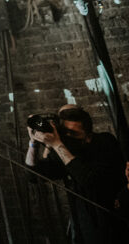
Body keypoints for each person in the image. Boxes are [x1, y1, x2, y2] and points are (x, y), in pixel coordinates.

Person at [25, 104, 129, 243]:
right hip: (83, 223)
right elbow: (33, 176)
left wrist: (57, 145)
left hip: (113, 220)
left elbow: (89, 180)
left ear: (88, 135)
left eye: (74, 133)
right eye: (65, 132)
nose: (68, 137)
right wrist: (33, 143)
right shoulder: (65, 150)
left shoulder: (105, 142)